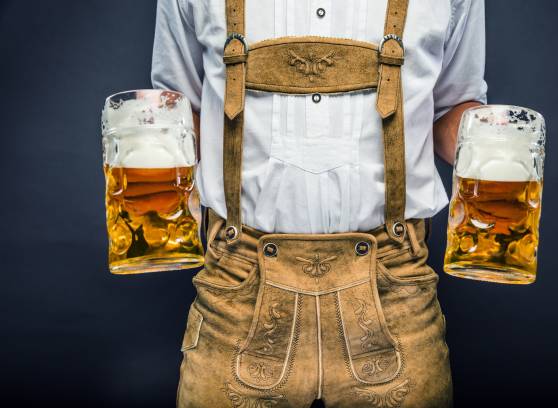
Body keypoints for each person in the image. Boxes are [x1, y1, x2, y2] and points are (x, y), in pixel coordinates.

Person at [151, 0, 486, 406]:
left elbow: (452, 107)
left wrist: (498, 148)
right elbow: (177, 114)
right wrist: (142, 147)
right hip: (237, 285)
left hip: (394, 287)